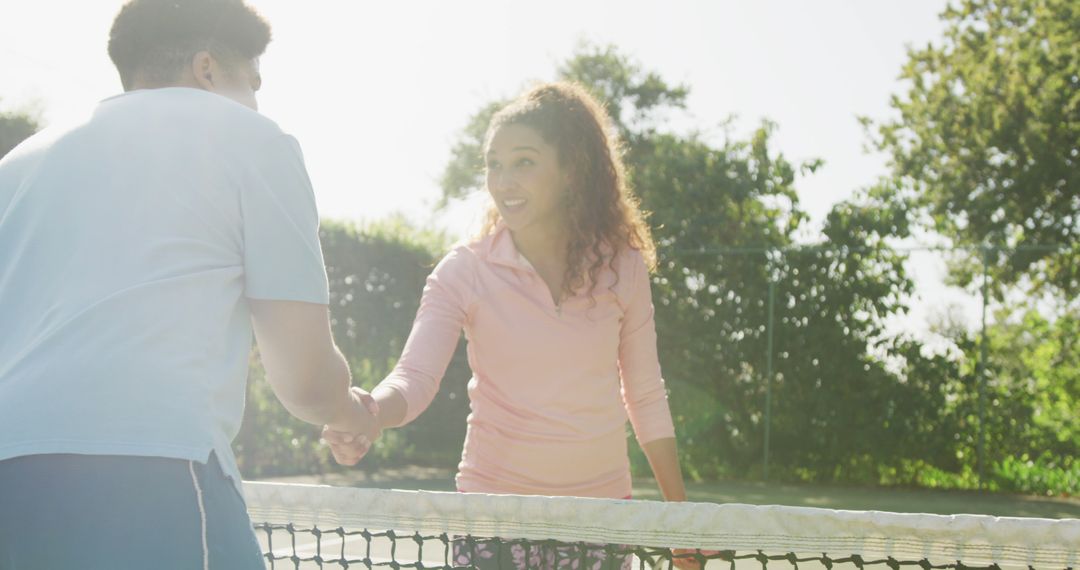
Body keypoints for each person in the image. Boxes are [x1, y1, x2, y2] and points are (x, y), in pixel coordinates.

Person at [0, 1, 376, 568]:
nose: (254, 101)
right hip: (150, 472)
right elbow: (305, 382)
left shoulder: (19, 163)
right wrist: (352, 413)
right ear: (206, 68)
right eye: (251, 83)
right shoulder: (255, 138)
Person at [325, 82, 694, 570]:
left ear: (570, 170)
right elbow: (414, 378)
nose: (503, 181)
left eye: (524, 161)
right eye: (493, 164)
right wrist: (369, 412)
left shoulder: (622, 267)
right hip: (492, 520)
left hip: (600, 522)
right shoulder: (463, 270)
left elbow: (644, 393)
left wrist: (685, 523)